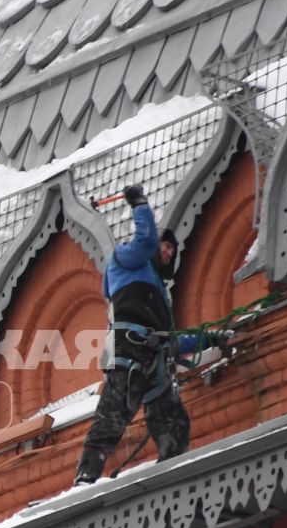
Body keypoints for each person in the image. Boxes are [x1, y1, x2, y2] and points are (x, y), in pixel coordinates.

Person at [74, 184, 225, 485]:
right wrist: (139, 204)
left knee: (173, 418)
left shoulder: (160, 298)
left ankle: (173, 468)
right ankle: (86, 477)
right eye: (165, 245)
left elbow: (171, 341)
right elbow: (145, 241)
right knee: (114, 413)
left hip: (154, 360)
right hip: (128, 352)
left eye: (172, 249)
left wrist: (210, 338)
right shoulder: (126, 261)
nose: (167, 251)